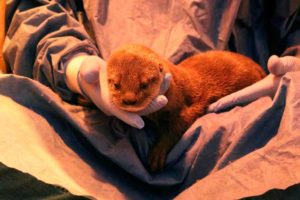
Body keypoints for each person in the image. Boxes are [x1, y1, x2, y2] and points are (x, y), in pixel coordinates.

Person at [3, 0, 300, 121]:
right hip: (98, 119)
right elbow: (34, 10)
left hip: (242, 116)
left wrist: (293, 71)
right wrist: (73, 67)